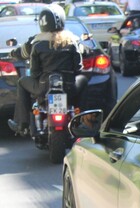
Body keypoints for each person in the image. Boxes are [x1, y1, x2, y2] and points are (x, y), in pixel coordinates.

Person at [8, 4, 85, 137]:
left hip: (43, 86)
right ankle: (84, 119)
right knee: (84, 80)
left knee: (21, 82)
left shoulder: (37, 43)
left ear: (42, 22)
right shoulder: (72, 40)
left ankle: (22, 124)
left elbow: (34, 72)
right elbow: (78, 67)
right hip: (68, 86)